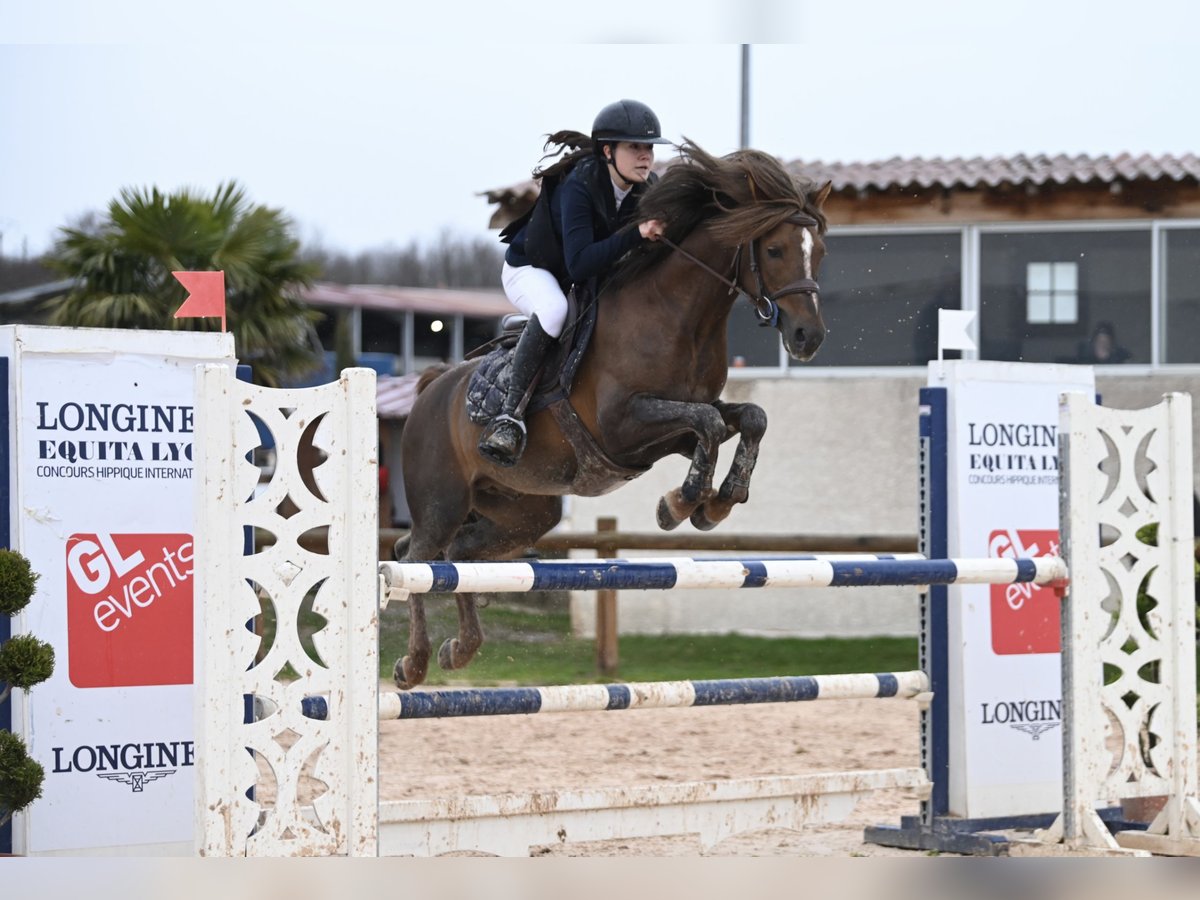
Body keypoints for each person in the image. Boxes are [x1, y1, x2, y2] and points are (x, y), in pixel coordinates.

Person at [478, 99, 669, 467]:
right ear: (608, 151)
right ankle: (509, 416)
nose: (646, 156)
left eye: (649, 148)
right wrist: (639, 234)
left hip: (577, 276)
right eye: (635, 147)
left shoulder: (647, 188)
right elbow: (580, 264)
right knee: (553, 310)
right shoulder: (579, 185)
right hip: (530, 271)